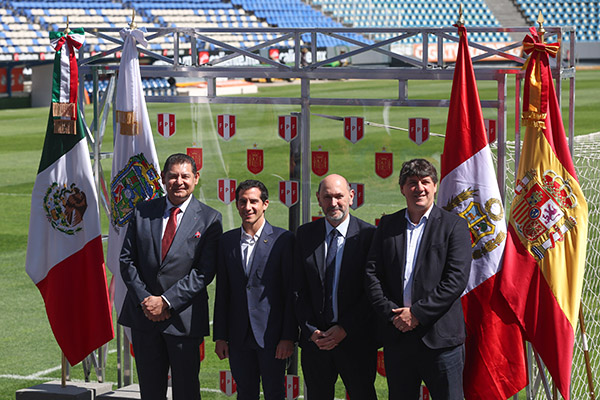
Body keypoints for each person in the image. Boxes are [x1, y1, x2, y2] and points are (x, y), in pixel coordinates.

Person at [365, 159, 472, 400]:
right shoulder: (387, 225)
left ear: (435, 186)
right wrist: (393, 315)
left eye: (425, 182)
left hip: (441, 340)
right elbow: (372, 275)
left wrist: (416, 314)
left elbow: (455, 280)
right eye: (412, 183)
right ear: (402, 188)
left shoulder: (454, 226)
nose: (419, 188)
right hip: (398, 336)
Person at [119, 153, 222, 400]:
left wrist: (165, 302)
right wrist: (147, 301)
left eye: (185, 176)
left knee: (186, 391)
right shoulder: (142, 211)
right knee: (150, 392)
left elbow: (204, 272)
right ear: (163, 178)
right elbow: (127, 260)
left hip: (183, 321)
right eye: (173, 176)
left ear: (196, 178)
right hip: (144, 318)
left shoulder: (210, 219)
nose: (179, 182)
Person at [294, 174, 378, 400]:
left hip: (356, 341)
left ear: (351, 196)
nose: (333, 203)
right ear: (318, 199)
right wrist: (311, 331)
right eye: (327, 197)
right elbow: (297, 289)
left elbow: (372, 292)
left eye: (339, 196)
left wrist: (345, 328)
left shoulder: (369, 236)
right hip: (317, 344)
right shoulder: (305, 235)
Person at [213, 179, 296, 400]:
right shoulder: (227, 241)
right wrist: (220, 336)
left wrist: (288, 337)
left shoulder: (283, 240)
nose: (247, 207)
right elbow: (223, 292)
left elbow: (290, 293)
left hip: (272, 337)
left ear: (265, 204)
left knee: (274, 393)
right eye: (242, 202)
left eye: (253, 201)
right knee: (245, 393)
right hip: (238, 337)